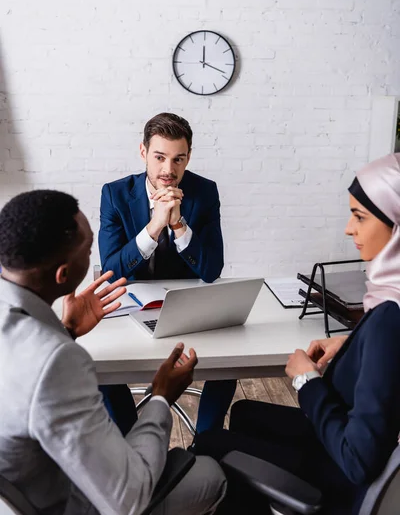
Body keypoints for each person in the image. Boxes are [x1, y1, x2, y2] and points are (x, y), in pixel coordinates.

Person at [194, 153, 400, 514]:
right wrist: (351, 346)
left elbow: (358, 459)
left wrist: (307, 381)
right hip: (344, 447)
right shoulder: (391, 303)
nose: (349, 229)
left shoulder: (390, 320)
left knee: (210, 443)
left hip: (341, 475)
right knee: (245, 413)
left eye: (360, 217)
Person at [0, 189, 226, 515]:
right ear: (64, 275)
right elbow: (128, 500)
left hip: (24, 482)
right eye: (88, 249)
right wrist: (161, 397)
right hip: (69, 502)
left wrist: (66, 332)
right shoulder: (55, 362)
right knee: (210, 474)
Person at [99, 112, 236, 434]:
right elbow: (111, 270)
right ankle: (133, 442)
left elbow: (211, 270)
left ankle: (206, 442)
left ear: (188, 157)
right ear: (143, 152)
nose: (168, 170)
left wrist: (178, 224)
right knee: (101, 370)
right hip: (131, 302)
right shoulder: (116, 194)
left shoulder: (204, 192)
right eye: (159, 157)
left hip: (186, 303)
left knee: (229, 362)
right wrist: (155, 225)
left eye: (179, 159)